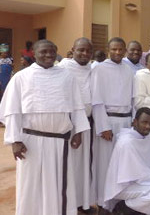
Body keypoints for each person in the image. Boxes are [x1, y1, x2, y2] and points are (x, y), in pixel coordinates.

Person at [0, 39, 90, 214]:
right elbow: (12, 111)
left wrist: (78, 132)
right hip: (30, 143)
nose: (48, 55)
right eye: (43, 52)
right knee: (31, 185)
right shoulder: (22, 77)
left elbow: (77, 106)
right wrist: (14, 140)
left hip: (60, 142)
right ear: (34, 53)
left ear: (56, 52)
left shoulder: (66, 76)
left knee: (58, 183)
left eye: (51, 51)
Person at [90, 37, 135, 210]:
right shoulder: (99, 69)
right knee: (105, 164)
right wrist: (103, 127)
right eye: (114, 49)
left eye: (120, 49)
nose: (117, 52)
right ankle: (103, 202)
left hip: (125, 122)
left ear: (124, 50)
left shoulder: (128, 70)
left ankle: (119, 201)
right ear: (109, 50)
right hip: (107, 121)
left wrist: (133, 124)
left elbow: (133, 99)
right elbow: (96, 100)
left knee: (123, 164)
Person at [57, 38, 96, 213]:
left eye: (88, 51)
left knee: (82, 167)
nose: (84, 54)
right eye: (81, 50)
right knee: (68, 167)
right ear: (72, 50)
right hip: (67, 126)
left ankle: (81, 203)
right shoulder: (62, 69)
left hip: (86, 125)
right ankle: (66, 204)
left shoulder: (93, 69)